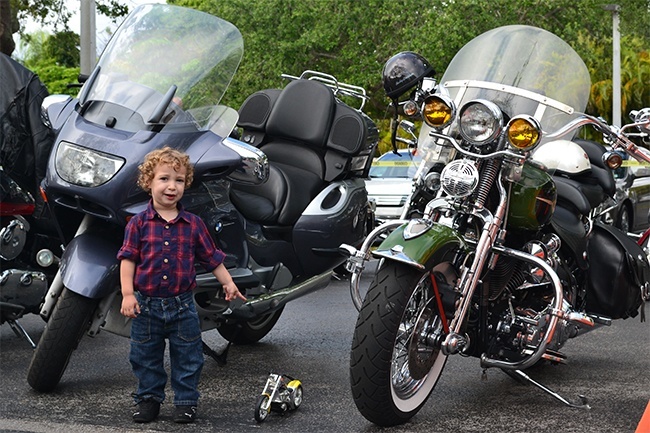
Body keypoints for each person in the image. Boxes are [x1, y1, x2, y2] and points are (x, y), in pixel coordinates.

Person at [117, 146, 246, 424]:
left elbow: (212, 258)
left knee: (188, 357)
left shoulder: (194, 224)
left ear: (185, 184)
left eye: (178, 180)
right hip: (146, 306)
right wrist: (128, 294)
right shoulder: (138, 224)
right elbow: (127, 260)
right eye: (164, 178)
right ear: (148, 182)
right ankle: (148, 400)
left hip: (182, 306)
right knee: (144, 357)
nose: (171, 186)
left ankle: (186, 402)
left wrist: (229, 283)